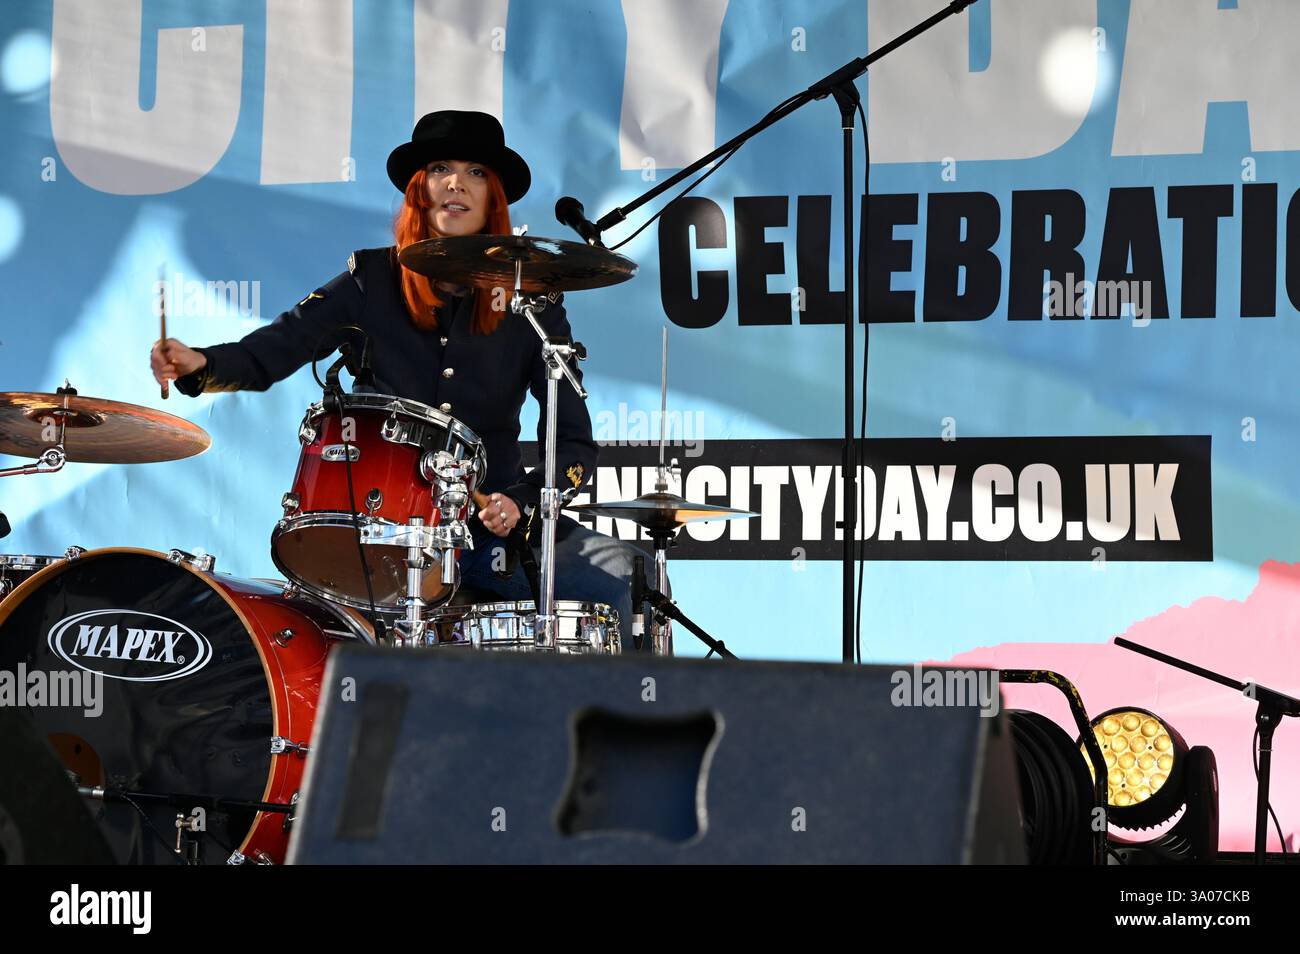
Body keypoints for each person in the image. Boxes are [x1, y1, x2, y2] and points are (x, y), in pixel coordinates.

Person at [150, 110, 656, 650]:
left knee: (626, 573)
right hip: (373, 538)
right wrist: (201, 364)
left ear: (494, 198)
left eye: (476, 172)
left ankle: (613, 728)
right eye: (440, 169)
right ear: (420, 189)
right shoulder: (369, 280)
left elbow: (575, 443)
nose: (457, 183)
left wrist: (522, 499)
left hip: (488, 537)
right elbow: (277, 348)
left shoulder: (532, 303)